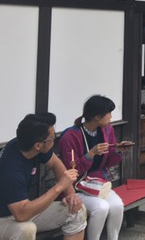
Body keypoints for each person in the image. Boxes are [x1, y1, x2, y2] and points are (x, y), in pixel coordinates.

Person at [0, 113, 87, 240]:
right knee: (26, 229)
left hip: (20, 210)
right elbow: (21, 214)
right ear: (38, 145)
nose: (54, 140)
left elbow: (56, 164)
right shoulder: (11, 168)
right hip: (4, 218)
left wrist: (71, 194)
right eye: (52, 137)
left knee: (76, 210)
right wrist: (59, 187)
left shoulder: (28, 145)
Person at [59, 95, 128, 240]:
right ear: (97, 117)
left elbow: (109, 162)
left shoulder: (107, 130)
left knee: (117, 205)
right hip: (76, 187)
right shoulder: (70, 137)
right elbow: (70, 172)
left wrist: (118, 151)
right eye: (108, 113)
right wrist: (90, 154)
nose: (111, 116)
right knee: (101, 208)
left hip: (98, 184)